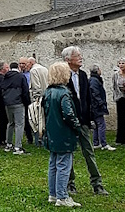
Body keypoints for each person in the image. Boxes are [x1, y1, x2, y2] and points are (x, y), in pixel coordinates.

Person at [62, 46, 109, 196]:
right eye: (77, 56)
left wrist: (90, 118)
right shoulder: (62, 75)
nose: (81, 58)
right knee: (68, 152)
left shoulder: (82, 75)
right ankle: (70, 184)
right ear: (68, 60)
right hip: (68, 121)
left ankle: (97, 184)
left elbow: (87, 99)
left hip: (82, 120)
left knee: (89, 151)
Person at [43, 61, 84, 208]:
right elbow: (68, 114)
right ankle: (62, 196)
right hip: (64, 133)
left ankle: (53, 194)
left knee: (53, 164)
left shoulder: (48, 92)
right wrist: (77, 127)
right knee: (63, 165)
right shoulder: (64, 93)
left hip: (52, 131)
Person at [0, 61, 31, 154]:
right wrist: (27, 103)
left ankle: (8, 144)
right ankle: (18, 147)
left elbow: (1, 89)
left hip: (8, 103)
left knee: (10, 123)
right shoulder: (21, 77)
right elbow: (25, 91)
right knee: (19, 124)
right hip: (18, 103)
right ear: (18, 68)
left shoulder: (5, 77)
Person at [88, 64, 115, 150]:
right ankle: (104, 144)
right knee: (101, 125)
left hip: (94, 106)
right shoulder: (94, 81)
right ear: (97, 70)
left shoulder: (93, 79)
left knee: (97, 125)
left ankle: (96, 143)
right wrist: (101, 103)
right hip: (96, 107)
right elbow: (95, 92)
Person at [28, 56, 49, 147]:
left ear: (31, 63)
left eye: (28, 64)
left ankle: (39, 142)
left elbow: (36, 86)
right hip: (47, 96)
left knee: (38, 120)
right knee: (46, 120)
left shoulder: (33, 71)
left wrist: (35, 99)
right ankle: (47, 140)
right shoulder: (45, 69)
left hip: (39, 99)